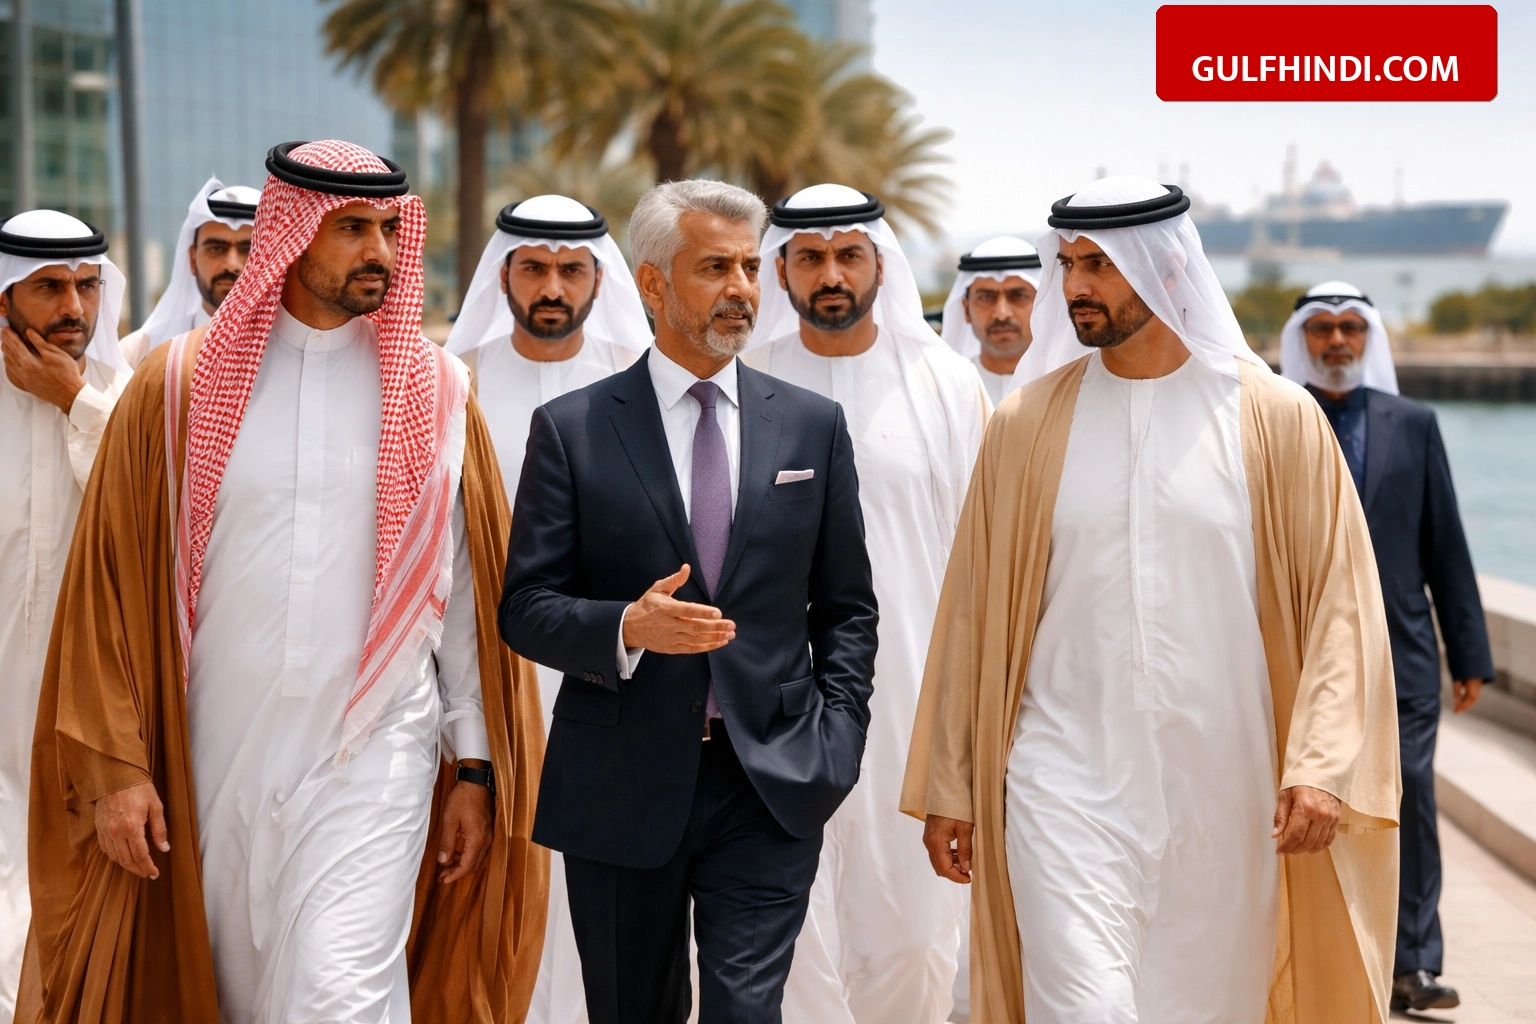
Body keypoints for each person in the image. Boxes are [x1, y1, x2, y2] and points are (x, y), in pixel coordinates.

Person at [21, 141, 547, 1024]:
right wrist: (118, 767)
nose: (379, 251)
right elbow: (109, 591)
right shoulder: (176, 386)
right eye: (352, 229)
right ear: (290, 236)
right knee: (222, 996)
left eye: (389, 229)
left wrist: (476, 763)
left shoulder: (439, 391)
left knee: (333, 997)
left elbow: (459, 595)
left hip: (374, 752)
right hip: (212, 747)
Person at [905, 176, 1402, 1023]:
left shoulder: (1275, 418)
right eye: (1069, 263)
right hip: (1060, 780)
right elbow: (971, 615)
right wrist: (952, 779)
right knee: (1082, 1009)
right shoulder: (1026, 425)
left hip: (1228, 786)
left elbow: (1341, 610)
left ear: (1167, 268)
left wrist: (1320, 765)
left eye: (1098, 265)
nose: (1075, 285)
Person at [499, 179, 878, 1024]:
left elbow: (847, 607)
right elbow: (524, 605)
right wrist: (625, 626)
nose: (741, 288)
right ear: (653, 282)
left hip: (771, 779)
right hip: (618, 782)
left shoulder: (812, 426)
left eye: (749, 266)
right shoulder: (572, 428)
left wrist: (837, 738)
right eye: (715, 267)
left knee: (746, 1011)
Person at [742, 183, 987, 1024]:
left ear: (881, 264)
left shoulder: (946, 385)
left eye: (849, 255)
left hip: (912, 700)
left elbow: (980, 559)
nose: (831, 275)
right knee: (780, 940)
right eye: (809, 257)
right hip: (767, 706)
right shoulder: (740, 381)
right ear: (779, 270)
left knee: (915, 936)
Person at [446, 193, 651, 1024]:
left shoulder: (641, 385)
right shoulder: (454, 384)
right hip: (486, 671)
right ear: (503, 277)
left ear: (600, 279)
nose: (553, 287)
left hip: (615, 672)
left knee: (611, 891)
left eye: (571, 269)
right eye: (534, 268)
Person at [1280, 281, 1494, 1015]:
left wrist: (1469, 653)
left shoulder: (1415, 423)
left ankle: (1415, 963)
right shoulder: (1276, 416)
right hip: (1300, 656)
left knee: (1414, 797)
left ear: (1369, 337)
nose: (1337, 341)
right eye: (1322, 329)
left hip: (1403, 658)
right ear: (1301, 339)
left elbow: (1445, 544)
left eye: (1351, 328)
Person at [0, 210, 129, 1024]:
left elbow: (154, 504)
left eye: (87, 286)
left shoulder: (123, 396)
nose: (73, 307)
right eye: (48, 287)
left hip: (84, 714)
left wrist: (74, 401)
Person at [118, 178, 260, 368]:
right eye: (216, 248)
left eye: (248, 250)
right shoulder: (139, 352)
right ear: (192, 259)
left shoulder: (293, 351)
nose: (231, 264)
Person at [939, 236, 1039, 406]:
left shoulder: (1070, 387)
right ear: (966, 310)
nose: (1001, 314)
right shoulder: (944, 391)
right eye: (986, 297)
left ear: (1043, 305)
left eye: (1018, 296)